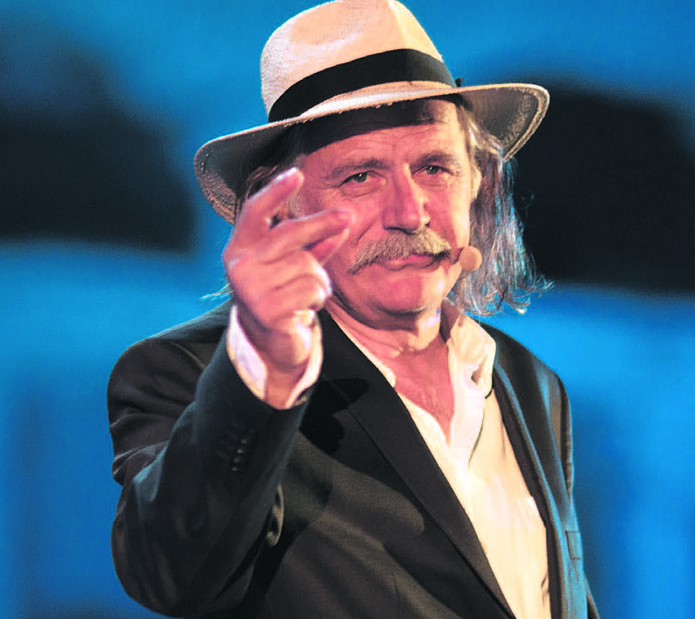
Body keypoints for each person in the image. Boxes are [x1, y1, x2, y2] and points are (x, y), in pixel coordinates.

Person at [107, 1, 598, 617]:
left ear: (479, 184)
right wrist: (264, 371)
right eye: (361, 177)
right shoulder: (187, 371)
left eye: (435, 167)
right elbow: (168, 573)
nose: (409, 213)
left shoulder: (531, 384)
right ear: (281, 208)